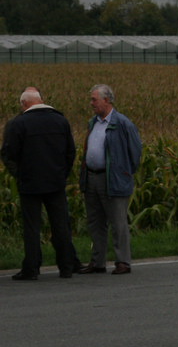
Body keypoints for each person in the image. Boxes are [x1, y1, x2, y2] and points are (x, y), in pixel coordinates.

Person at [1, 88, 80, 280]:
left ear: (24, 104)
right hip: (55, 182)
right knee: (60, 225)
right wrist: (62, 174)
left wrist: (20, 174)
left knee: (32, 227)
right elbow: (70, 151)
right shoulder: (60, 120)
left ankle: (31, 269)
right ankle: (66, 267)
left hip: (30, 184)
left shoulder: (19, 123)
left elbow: (10, 153)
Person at [77, 84, 141, 275]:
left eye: (94, 100)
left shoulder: (122, 123)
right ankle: (98, 262)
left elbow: (135, 152)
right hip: (92, 177)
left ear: (106, 100)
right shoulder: (93, 123)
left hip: (113, 179)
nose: (91, 103)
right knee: (95, 222)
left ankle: (123, 262)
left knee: (118, 222)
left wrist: (123, 173)